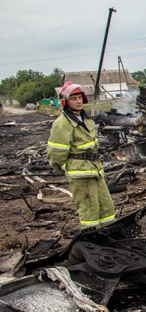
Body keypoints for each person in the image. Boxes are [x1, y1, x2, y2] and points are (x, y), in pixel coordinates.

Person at [47, 81, 116, 229]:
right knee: (89, 210)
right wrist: (66, 167)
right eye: (74, 98)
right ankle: (91, 237)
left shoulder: (85, 119)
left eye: (79, 98)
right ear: (66, 102)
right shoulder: (62, 124)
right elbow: (56, 153)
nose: (78, 101)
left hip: (94, 169)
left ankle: (109, 233)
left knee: (106, 206)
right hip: (80, 173)